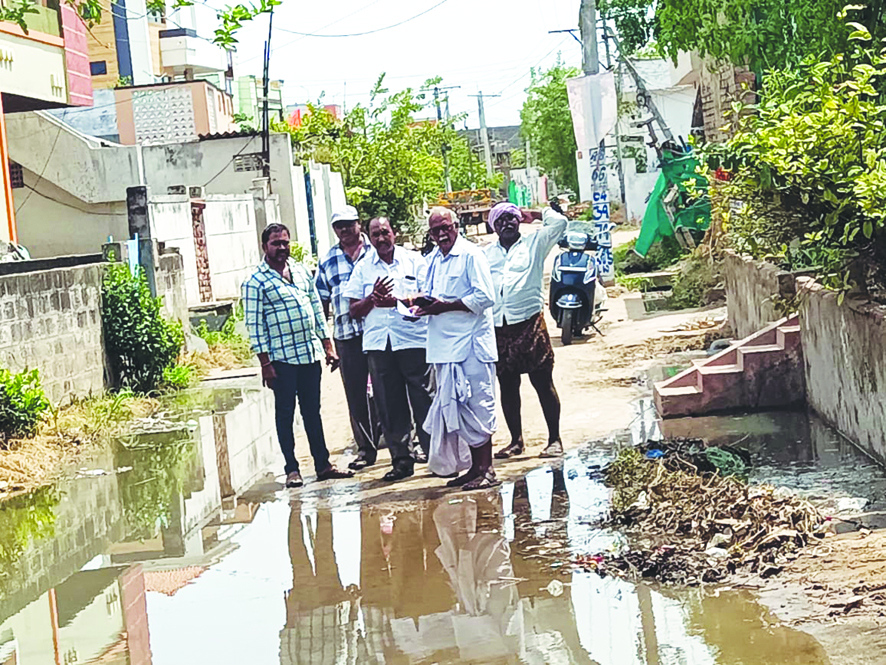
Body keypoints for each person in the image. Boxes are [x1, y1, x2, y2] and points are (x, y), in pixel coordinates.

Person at [242, 223, 354, 488]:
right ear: (264, 247)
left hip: (307, 354)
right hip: (280, 361)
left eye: (285, 242)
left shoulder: (302, 271)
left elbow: (316, 308)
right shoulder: (255, 281)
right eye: (275, 243)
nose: (281, 248)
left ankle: (323, 464)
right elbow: (254, 327)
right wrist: (265, 364)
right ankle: (292, 469)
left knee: (312, 412)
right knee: (285, 413)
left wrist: (327, 346)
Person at [344, 217, 435, 482]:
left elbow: (427, 296)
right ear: (369, 238)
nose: (381, 238)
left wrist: (396, 301)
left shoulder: (414, 261)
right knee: (389, 404)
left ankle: (435, 456)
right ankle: (401, 461)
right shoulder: (362, 269)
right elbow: (353, 310)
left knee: (425, 400)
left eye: (385, 232)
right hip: (379, 345)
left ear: (394, 233)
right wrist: (373, 299)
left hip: (412, 340)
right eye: (375, 234)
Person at [417, 207, 500, 490]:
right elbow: (431, 297)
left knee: (478, 404)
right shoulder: (433, 261)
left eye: (445, 227)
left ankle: (487, 470)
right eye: (435, 230)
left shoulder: (471, 255)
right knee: (457, 408)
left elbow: (485, 297)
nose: (441, 234)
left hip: (471, 347)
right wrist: (419, 306)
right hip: (444, 349)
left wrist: (445, 306)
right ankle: (474, 468)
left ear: (457, 226)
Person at [484, 202, 568, 460]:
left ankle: (554, 439)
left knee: (543, 383)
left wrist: (537, 214)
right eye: (500, 221)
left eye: (511, 218)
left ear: (519, 220)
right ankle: (515, 441)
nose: (507, 223)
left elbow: (561, 224)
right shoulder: (486, 254)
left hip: (530, 324)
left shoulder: (535, 243)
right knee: (508, 387)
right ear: (494, 227)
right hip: (499, 327)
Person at [315, 206, 379, 470]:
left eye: (349, 224)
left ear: (359, 224)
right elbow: (321, 301)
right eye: (339, 225)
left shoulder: (375, 253)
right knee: (355, 395)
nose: (344, 230)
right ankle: (366, 449)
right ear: (334, 229)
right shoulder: (328, 260)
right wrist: (327, 342)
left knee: (388, 391)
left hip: (377, 333)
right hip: (346, 336)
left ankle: (403, 446)